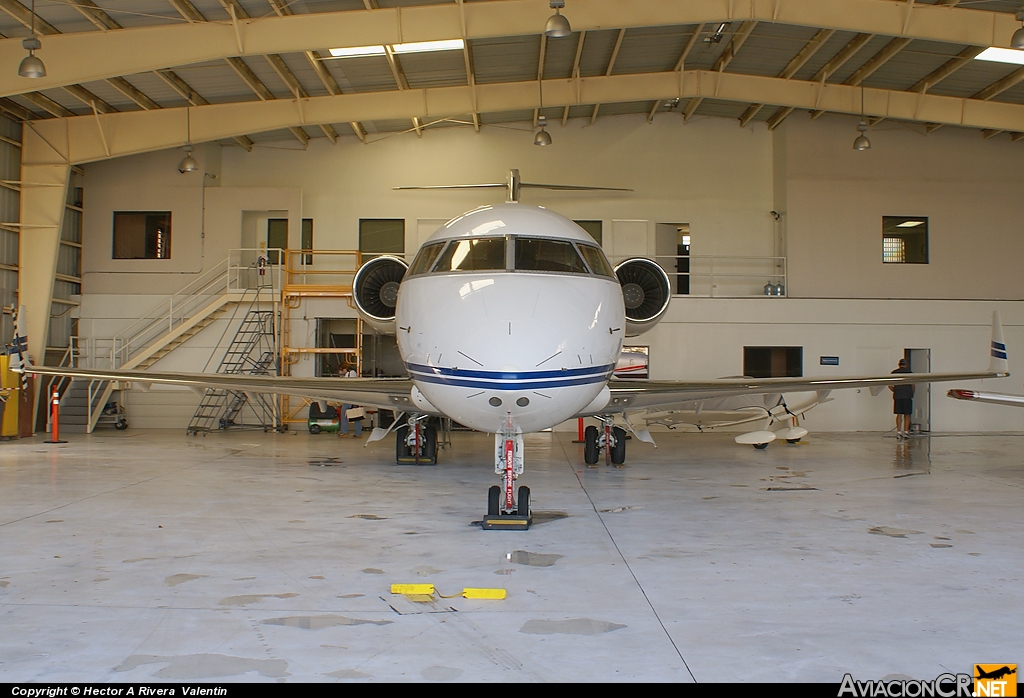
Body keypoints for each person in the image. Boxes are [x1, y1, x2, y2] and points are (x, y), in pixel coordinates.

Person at [889, 358, 914, 439]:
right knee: (907, 414)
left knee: (899, 414)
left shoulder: (894, 373)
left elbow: (889, 384)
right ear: (906, 365)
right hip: (907, 396)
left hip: (898, 396)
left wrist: (894, 390)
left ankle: (899, 432)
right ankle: (906, 431)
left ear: (899, 364)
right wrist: (911, 393)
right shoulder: (910, 373)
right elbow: (913, 385)